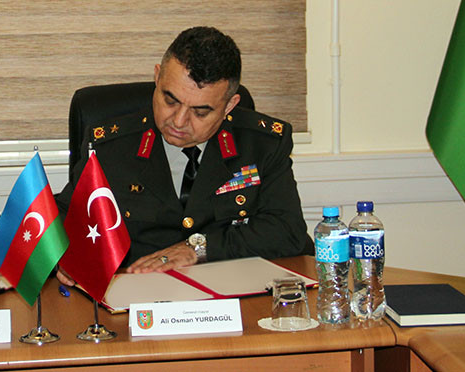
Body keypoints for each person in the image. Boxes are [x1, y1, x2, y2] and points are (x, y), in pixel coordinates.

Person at [56, 26, 312, 279]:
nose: (178, 121)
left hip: (233, 293)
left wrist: (198, 248)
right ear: (157, 77)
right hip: (138, 294)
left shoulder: (262, 145)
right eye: (170, 100)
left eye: (200, 112)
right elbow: (66, 224)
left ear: (229, 106)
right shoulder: (109, 148)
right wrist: (65, 259)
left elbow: (287, 231)